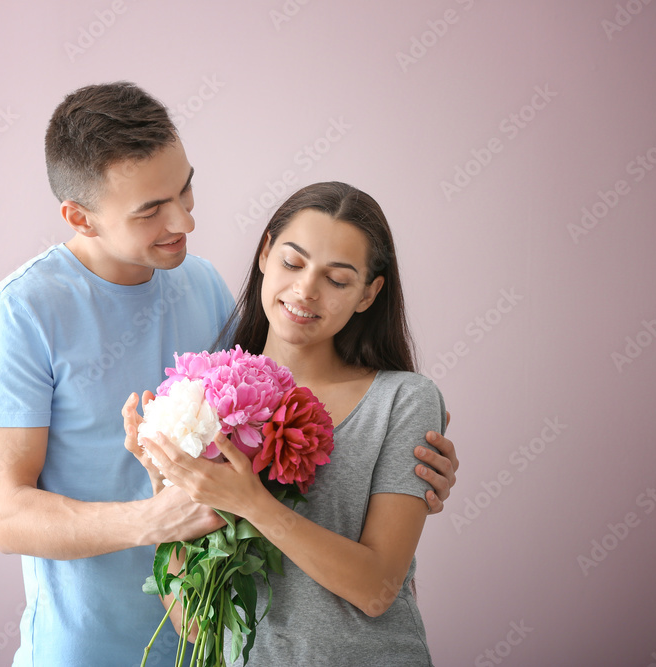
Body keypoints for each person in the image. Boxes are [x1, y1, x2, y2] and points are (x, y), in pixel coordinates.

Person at [0, 82, 458, 666]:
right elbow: (3, 515)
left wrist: (397, 459)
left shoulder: (199, 284)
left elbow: (265, 435)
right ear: (81, 217)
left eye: (185, 188)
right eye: (151, 210)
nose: (183, 221)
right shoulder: (21, 313)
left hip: (212, 648)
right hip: (90, 648)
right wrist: (153, 513)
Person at [132, 181, 446, 665]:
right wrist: (163, 481)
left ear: (369, 294)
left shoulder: (402, 399)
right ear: (265, 253)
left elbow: (377, 590)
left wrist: (251, 503)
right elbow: (193, 625)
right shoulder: (209, 399)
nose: (305, 290)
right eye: (293, 263)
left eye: (337, 280)